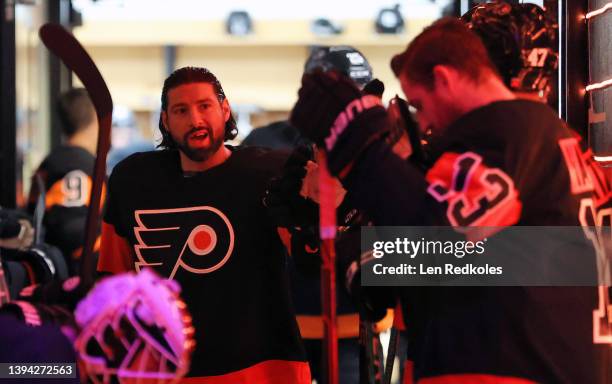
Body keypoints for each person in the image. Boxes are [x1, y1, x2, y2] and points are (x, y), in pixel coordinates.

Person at [290, 17, 611, 383]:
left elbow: (439, 239)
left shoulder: (506, 131)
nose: (424, 122)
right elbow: (498, 259)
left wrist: (359, 145)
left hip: (513, 367)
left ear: (444, 78)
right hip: (551, 358)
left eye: (421, 104)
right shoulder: (556, 137)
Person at [97, 66, 310, 382]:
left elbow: (314, 254)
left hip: (261, 371)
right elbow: (112, 278)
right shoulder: (132, 181)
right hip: (163, 371)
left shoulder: (271, 174)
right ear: (166, 121)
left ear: (225, 110)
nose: (195, 120)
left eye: (205, 106)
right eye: (181, 110)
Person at [28, 88, 100, 276]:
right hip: (74, 284)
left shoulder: (52, 161)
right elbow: (74, 230)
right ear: (96, 118)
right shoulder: (78, 165)